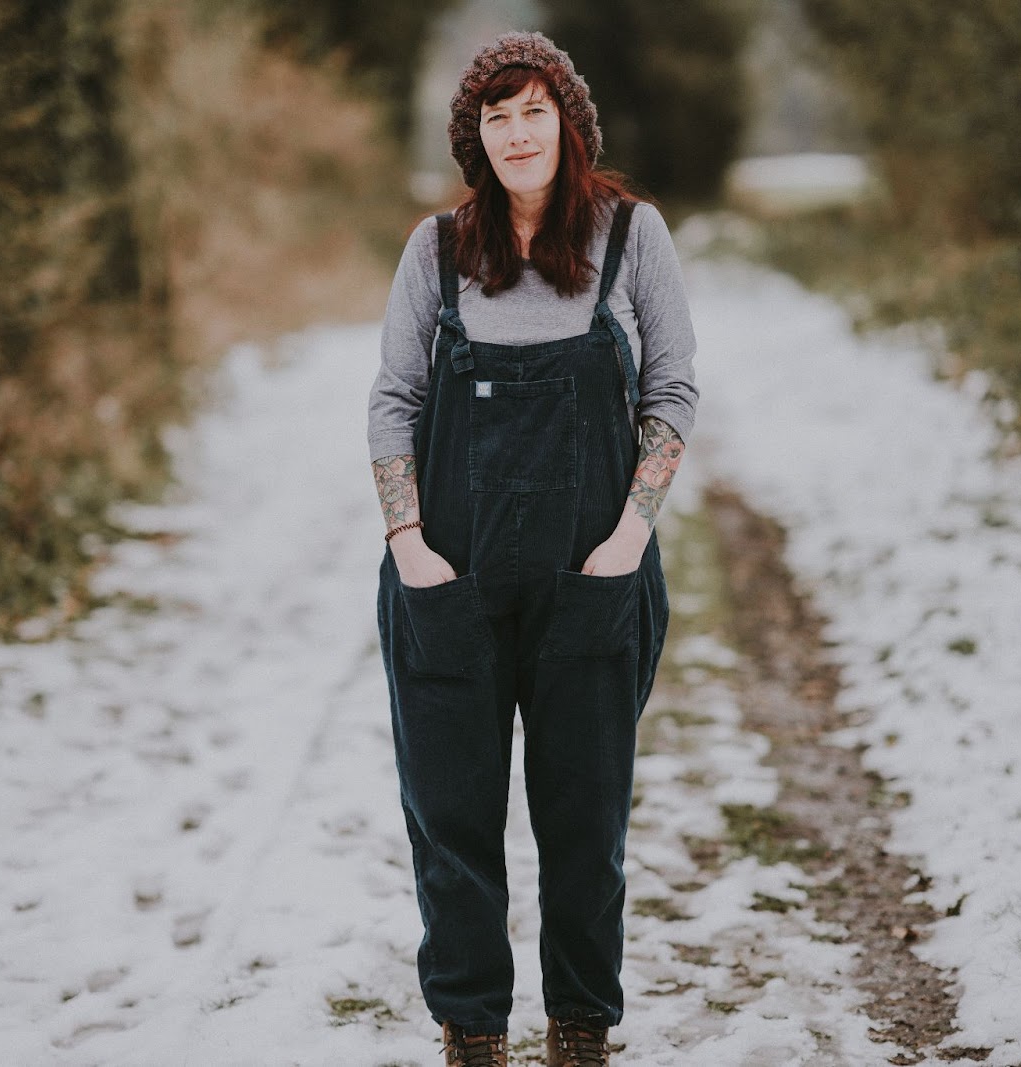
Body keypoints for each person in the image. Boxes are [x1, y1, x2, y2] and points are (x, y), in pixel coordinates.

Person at [368, 30, 698, 1067]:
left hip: (591, 578)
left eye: (533, 111)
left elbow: (672, 393)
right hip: (450, 581)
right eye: (495, 116)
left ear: (569, 123)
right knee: (452, 821)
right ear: (476, 137)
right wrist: (410, 541)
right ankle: (472, 1029)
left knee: (584, 821)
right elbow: (393, 399)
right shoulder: (436, 249)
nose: (516, 132)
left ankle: (582, 1029)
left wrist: (628, 534)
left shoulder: (632, 235)